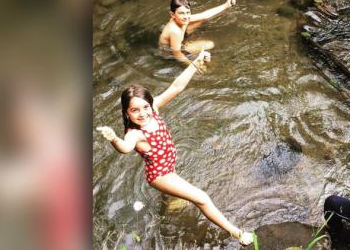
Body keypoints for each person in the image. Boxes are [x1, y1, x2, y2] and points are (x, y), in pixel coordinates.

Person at [96, 51, 253, 246]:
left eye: (145, 107)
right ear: (127, 113)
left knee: (174, 196)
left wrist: (195, 63)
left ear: (150, 104)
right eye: (134, 110)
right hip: (160, 175)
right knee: (202, 198)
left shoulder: (154, 111)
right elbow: (125, 148)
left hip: (168, 165)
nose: (143, 113)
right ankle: (237, 233)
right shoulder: (135, 134)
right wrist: (113, 139)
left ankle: (168, 203)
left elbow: (177, 86)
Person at [158, 0, 236, 71]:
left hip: (180, 39)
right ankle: (190, 47)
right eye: (181, 13)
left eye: (188, 12)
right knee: (210, 44)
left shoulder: (183, 19)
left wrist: (226, 5)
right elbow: (178, 55)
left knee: (201, 21)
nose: (186, 16)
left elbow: (204, 15)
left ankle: (189, 41)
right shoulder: (175, 31)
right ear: (172, 14)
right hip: (170, 51)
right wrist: (194, 66)